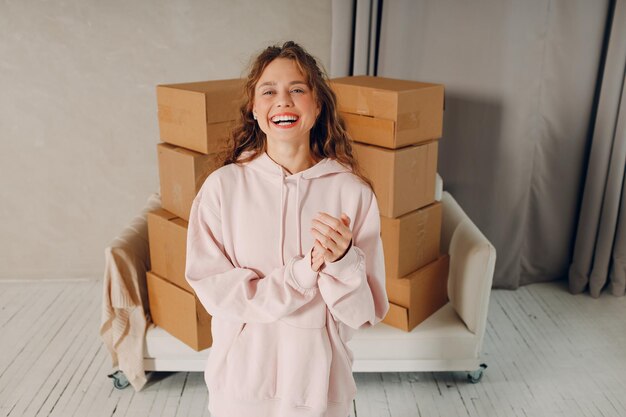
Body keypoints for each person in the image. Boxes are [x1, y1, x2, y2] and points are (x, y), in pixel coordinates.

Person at [185, 41, 389, 417]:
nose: (284, 101)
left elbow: (363, 313)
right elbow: (217, 294)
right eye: (269, 91)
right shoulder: (222, 188)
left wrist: (344, 262)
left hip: (320, 389)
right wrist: (300, 273)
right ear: (254, 109)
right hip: (241, 386)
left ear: (318, 104)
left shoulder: (352, 192)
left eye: (298, 89)